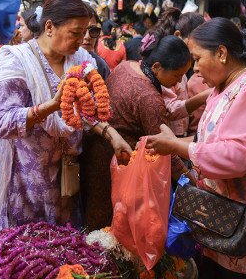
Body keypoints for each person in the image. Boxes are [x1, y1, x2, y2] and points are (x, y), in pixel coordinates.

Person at [145, 17, 246, 278]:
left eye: (197, 58)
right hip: (227, 219)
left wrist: (175, 146)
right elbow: (209, 143)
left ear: (222, 53)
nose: (194, 69)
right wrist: (171, 144)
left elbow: (236, 157)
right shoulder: (224, 87)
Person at [0, 0, 131, 233]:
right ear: (49, 27)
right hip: (26, 182)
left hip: (66, 179)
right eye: (75, 32)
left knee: (64, 249)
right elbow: (1, 123)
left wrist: (112, 135)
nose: (83, 40)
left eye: (87, 32)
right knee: (27, 253)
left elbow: (86, 110)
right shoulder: (16, 61)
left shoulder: (79, 59)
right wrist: (52, 106)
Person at [80, 35, 193, 230]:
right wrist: (192, 183)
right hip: (116, 163)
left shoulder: (128, 66)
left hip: (94, 151)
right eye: (175, 76)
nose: (176, 83)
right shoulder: (149, 97)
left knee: (93, 216)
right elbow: (168, 152)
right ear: (157, 67)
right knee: (109, 225)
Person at [81, 5, 110, 80]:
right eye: (82, 30)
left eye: (93, 30)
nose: (87, 37)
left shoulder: (100, 64)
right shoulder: (61, 60)